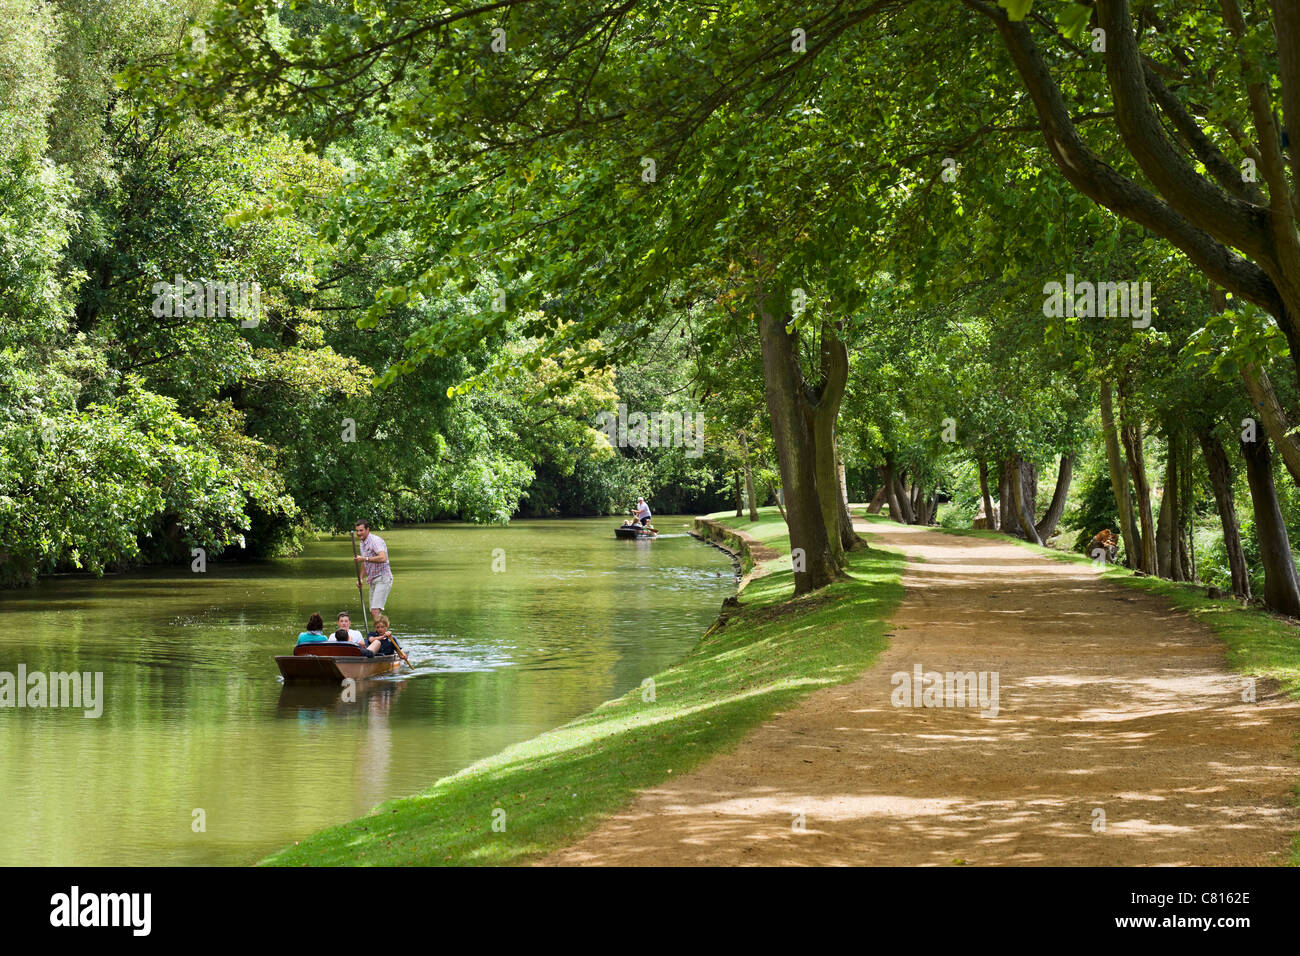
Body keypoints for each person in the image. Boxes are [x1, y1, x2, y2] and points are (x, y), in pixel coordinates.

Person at [354, 520, 393, 627]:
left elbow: (383, 558)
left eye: (361, 530)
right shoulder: (362, 543)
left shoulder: (375, 541)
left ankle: (380, 636)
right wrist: (361, 578)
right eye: (357, 531)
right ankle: (380, 634)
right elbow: (365, 563)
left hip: (383, 577)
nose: (358, 533)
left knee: (375, 610)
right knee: (373, 611)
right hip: (373, 579)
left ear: (367, 530)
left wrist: (365, 558)